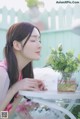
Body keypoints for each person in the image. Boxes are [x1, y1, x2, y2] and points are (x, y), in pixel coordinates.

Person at [0, 22, 45, 118]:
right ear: (17, 45)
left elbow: (4, 116)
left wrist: (23, 90)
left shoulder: (19, 74)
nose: (40, 45)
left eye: (39, 40)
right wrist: (15, 88)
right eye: (33, 40)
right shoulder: (2, 73)